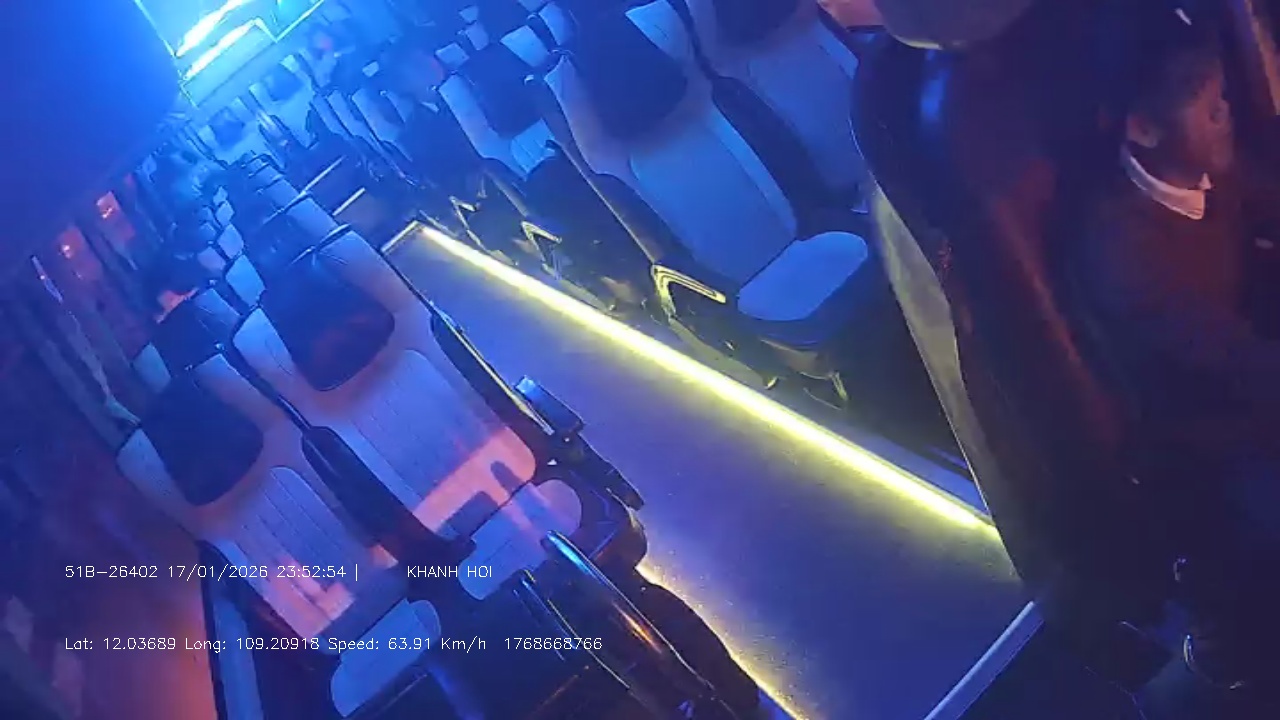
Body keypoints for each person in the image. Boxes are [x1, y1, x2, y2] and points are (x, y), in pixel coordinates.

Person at [1074, 4, 1280, 699]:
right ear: (1141, 128)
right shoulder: (1124, 255)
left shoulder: (1204, 167)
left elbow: (1265, 197)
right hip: (1213, 443)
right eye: (1208, 106)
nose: (1226, 115)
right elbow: (1234, 363)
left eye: (1224, 99)